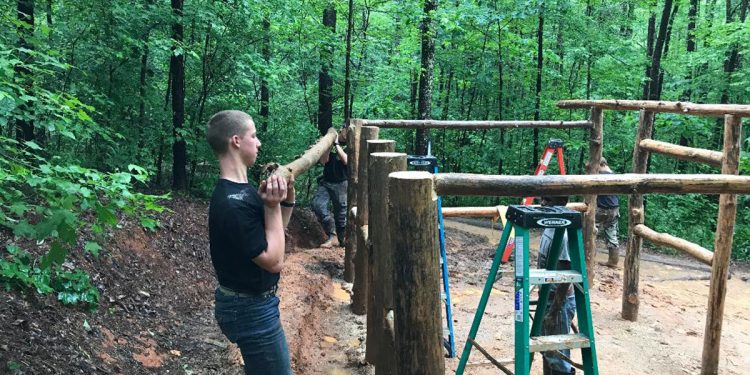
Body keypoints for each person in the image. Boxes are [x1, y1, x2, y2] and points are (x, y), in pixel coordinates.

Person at [206, 110, 295, 375]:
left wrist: (285, 200)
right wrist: (270, 206)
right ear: (236, 140)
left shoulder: (243, 193)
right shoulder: (232, 203)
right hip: (249, 309)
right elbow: (274, 260)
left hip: (253, 304)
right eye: (253, 136)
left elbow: (274, 234)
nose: (258, 143)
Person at [537, 196, 577, 375]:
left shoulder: (562, 235)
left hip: (558, 302)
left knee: (558, 358)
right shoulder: (549, 224)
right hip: (548, 297)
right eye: (542, 199)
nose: (542, 203)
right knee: (548, 352)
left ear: (560, 203)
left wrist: (554, 311)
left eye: (548, 200)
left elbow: (565, 276)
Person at [311, 129, 348, 248]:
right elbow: (324, 161)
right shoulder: (329, 141)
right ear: (342, 130)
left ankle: (343, 241)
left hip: (341, 183)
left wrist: (337, 144)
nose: (348, 133)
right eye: (347, 130)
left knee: (341, 214)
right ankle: (333, 236)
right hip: (326, 182)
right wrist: (327, 144)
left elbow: (346, 160)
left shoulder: (353, 144)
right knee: (318, 205)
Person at [594, 157, 620, 267]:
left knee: (591, 231)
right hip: (614, 209)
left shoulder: (599, 176)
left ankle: (587, 258)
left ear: (601, 164)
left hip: (602, 209)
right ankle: (613, 261)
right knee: (612, 234)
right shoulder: (615, 176)